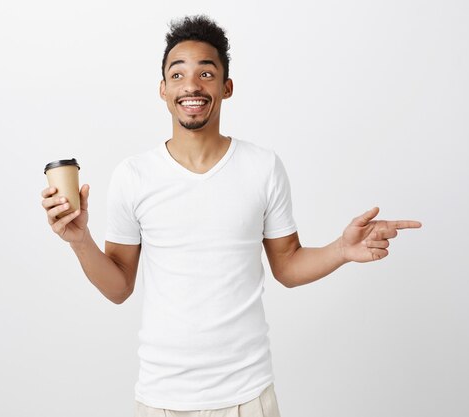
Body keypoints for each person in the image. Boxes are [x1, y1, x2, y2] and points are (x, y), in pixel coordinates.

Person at [40, 15, 422, 417]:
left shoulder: (263, 167)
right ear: (163, 89)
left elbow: (288, 265)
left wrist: (341, 250)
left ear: (226, 87)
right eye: (178, 74)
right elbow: (119, 286)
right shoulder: (134, 176)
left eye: (206, 73)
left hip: (248, 396)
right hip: (163, 398)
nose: (191, 85)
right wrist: (80, 240)